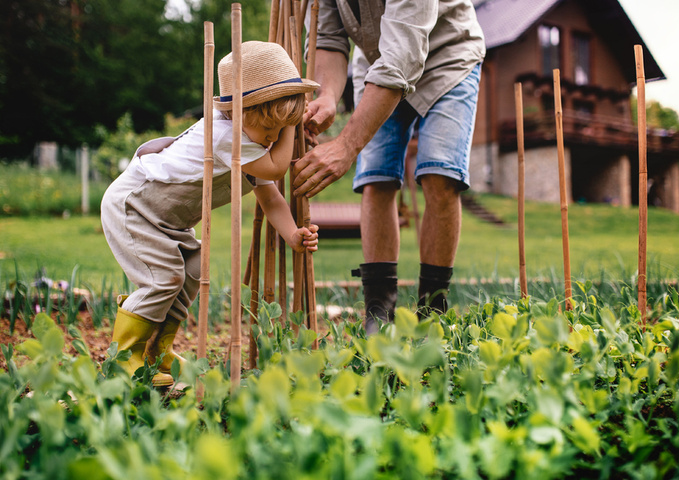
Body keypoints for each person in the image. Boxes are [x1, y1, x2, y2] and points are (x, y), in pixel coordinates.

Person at [101, 41, 320, 386]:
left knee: (190, 271)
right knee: (163, 279)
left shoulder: (250, 140)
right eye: (269, 132)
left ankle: (159, 352)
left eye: (279, 133)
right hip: (135, 207)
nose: (274, 140)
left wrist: (292, 234)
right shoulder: (224, 136)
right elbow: (278, 169)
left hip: (169, 221)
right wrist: (292, 123)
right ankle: (124, 360)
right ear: (239, 114)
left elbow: (270, 195)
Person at [292, 0, 485, 334]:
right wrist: (327, 96)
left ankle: (431, 313)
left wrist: (347, 145)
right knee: (376, 178)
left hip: (447, 56)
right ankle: (378, 314)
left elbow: (403, 56)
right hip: (378, 62)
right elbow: (328, 40)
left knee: (440, 175)